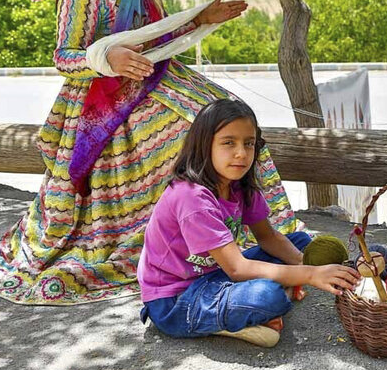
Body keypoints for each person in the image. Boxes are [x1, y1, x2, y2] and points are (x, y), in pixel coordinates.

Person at [0, 0, 302, 305]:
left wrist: (200, 19)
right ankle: (184, 247)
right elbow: (64, 57)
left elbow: (159, 37)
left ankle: (252, 232)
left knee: (229, 121)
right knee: (190, 133)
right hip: (103, 99)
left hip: (159, 78)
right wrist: (107, 58)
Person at [137, 99, 360, 347]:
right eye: (228, 143)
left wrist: (304, 266)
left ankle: (266, 303)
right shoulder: (191, 197)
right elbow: (237, 269)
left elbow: (268, 238)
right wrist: (309, 274)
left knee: (300, 242)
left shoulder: (239, 186)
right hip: (176, 299)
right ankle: (247, 318)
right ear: (204, 145)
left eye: (249, 143)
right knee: (267, 295)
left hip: (216, 274)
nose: (241, 153)